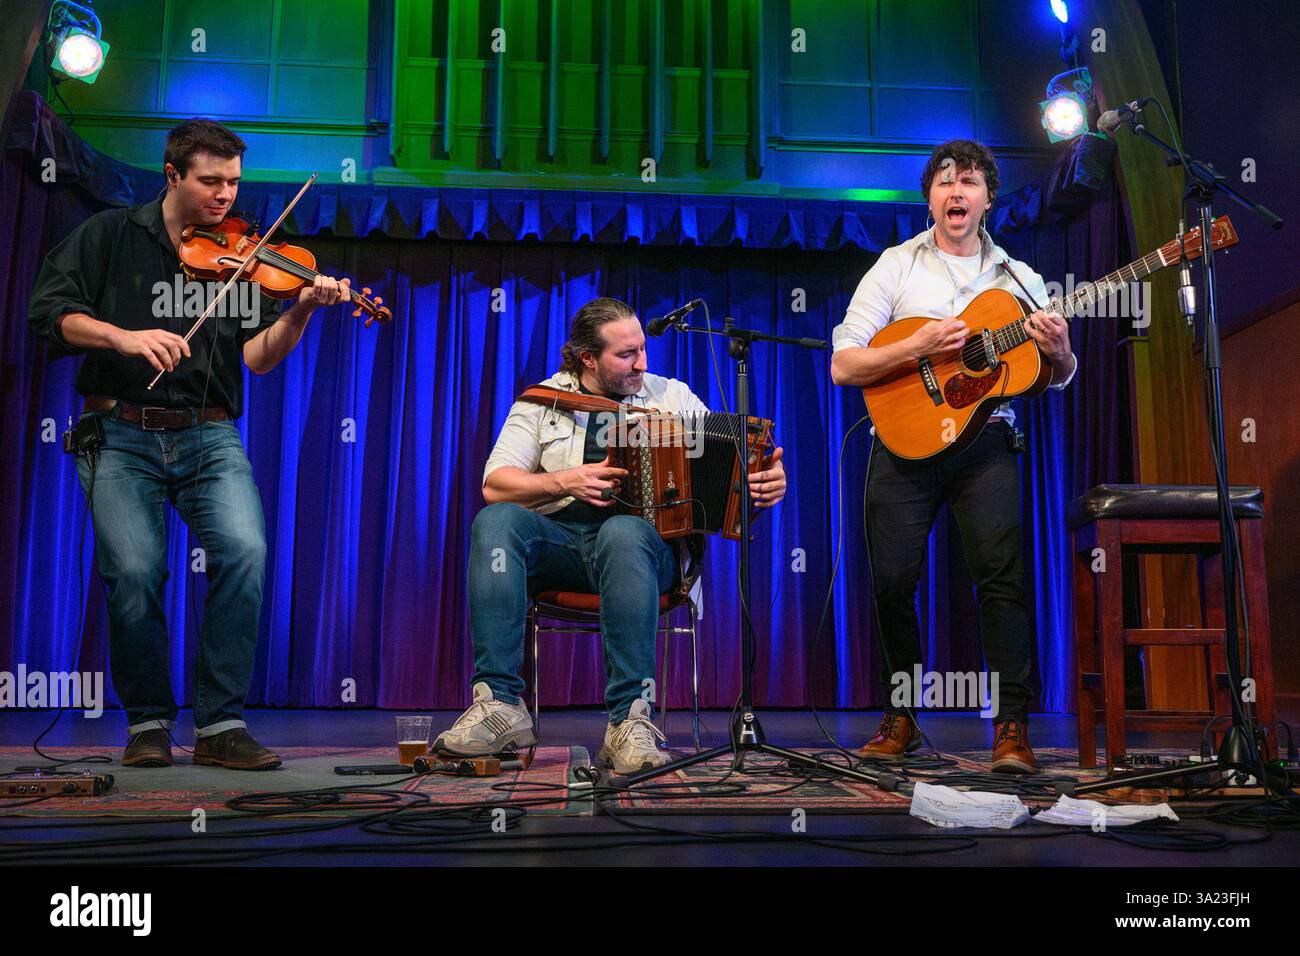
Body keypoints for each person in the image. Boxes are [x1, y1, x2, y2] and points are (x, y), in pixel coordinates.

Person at [27, 119, 353, 769]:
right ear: (172, 175)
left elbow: (259, 359)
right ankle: (148, 722)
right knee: (137, 574)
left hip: (208, 433)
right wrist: (124, 336)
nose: (226, 195)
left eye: (234, 181)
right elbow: (48, 312)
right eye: (211, 181)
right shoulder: (112, 235)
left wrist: (303, 309)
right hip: (119, 432)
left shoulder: (243, 253)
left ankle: (220, 726)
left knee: (247, 553)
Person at [434, 297, 787, 774]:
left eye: (642, 349)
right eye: (626, 355)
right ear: (587, 358)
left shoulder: (673, 397)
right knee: (495, 521)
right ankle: (500, 706)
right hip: (562, 545)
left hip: (646, 554)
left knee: (623, 531)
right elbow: (495, 484)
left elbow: (728, 471)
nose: (642, 363)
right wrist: (565, 480)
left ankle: (629, 720)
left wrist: (764, 479)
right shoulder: (543, 401)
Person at [829, 139, 1076, 773]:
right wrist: (920, 345)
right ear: (930, 198)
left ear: (989, 197)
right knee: (890, 583)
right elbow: (845, 362)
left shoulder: (1019, 279)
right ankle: (902, 716)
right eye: (943, 183)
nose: (955, 192)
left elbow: (1053, 376)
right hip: (904, 444)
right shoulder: (895, 266)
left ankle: (1012, 728)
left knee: (1003, 583)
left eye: (968, 182)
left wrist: (1062, 351)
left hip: (988, 442)